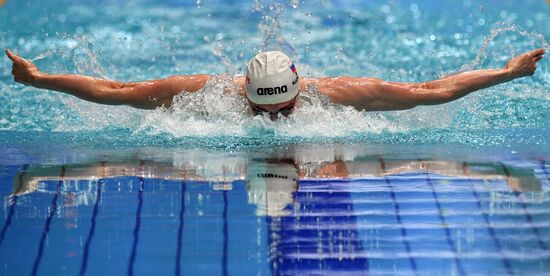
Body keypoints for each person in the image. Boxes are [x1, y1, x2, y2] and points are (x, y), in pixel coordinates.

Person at [5, 47, 545, 120]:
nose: (273, 119)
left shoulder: (334, 95)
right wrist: (39, 81)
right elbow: (117, 92)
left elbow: (434, 90)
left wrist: (505, 73)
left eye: (282, 108)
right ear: (242, 91)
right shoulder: (201, 91)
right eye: (265, 109)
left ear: (298, 88)